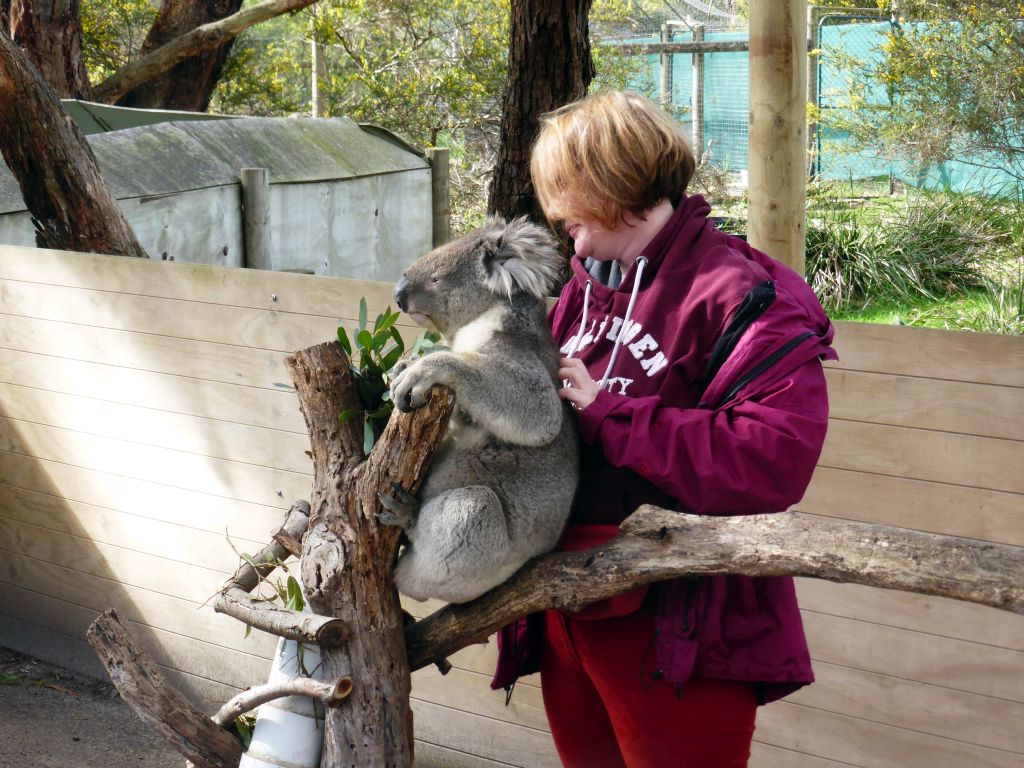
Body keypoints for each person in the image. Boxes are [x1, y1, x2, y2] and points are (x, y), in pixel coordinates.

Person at [490, 90, 837, 768]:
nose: (565, 232)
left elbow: (771, 460)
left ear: (612, 188)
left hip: (681, 621)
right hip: (568, 603)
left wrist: (608, 413)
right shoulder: (586, 286)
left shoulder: (742, 295)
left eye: (572, 211)